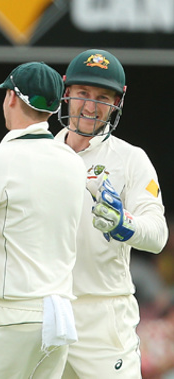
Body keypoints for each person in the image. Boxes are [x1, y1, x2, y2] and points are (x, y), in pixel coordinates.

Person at [0, 62, 87, 378]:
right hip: (57, 318)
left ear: (11, 97)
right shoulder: (73, 163)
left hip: (4, 314)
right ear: (53, 108)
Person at [55, 49, 168, 378]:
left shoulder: (131, 159)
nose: (90, 107)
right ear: (66, 92)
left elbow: (157, 234)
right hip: (47, 309)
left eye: (102, 97)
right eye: (83, 94)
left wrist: (123, 224)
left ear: (119, 101)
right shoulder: (42, 152)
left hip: (104, 315)